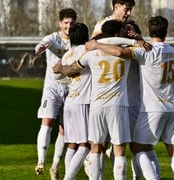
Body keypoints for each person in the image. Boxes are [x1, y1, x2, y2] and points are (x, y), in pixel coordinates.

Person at [85, 16, 174, 180]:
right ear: (166, 31)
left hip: (143, 106)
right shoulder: (172, 51)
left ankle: (150, 178)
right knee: (171, 149)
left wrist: (96, 44)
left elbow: (119, 51)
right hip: (171, 106)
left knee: (136, 147)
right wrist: (137, 40)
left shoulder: (142, 52)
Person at [54, 20, 136, 180]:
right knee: (119, 150)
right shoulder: (127, 52)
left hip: (96, 106)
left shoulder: (90, 53)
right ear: (118, 34)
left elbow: (70, 69)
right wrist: (135, 39)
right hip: (118, 105)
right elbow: (142, 47)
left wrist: (60, 68)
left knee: (95, 148)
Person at [34, 8, 77, 180]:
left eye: (71, 23)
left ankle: (55, 166)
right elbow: (43, 43)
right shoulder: (53, 38)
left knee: (65, 130)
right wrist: (40, 48)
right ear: (60, 23)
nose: (68, 26)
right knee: (47, 121)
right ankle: (41, 161)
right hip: (52, 87)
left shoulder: (78, 41)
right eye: (65, 23)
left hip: (72, 88)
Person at [54, 23, 91, 180]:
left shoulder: (66, 55)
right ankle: (68, 178)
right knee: (86, 145)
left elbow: (58, 74)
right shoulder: (87, 51)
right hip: (84, 101)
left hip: (70, 102)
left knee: (72, 145)